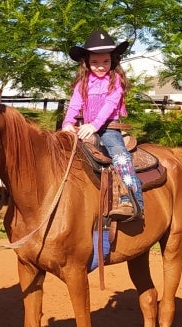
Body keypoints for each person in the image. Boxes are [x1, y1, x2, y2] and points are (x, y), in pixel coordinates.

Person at [62, 28, 144, 221]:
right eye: (95, 62)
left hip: (108, 127)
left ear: (113, 60)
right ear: (87, 63)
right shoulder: (82, 83)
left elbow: (109, 106)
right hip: (84, 126)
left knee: (120, 155)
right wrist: (67, 123)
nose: (100, 66)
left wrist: (94, 125)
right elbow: (75, 105)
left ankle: (132, 199)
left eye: (105, 61)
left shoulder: (115, 81)